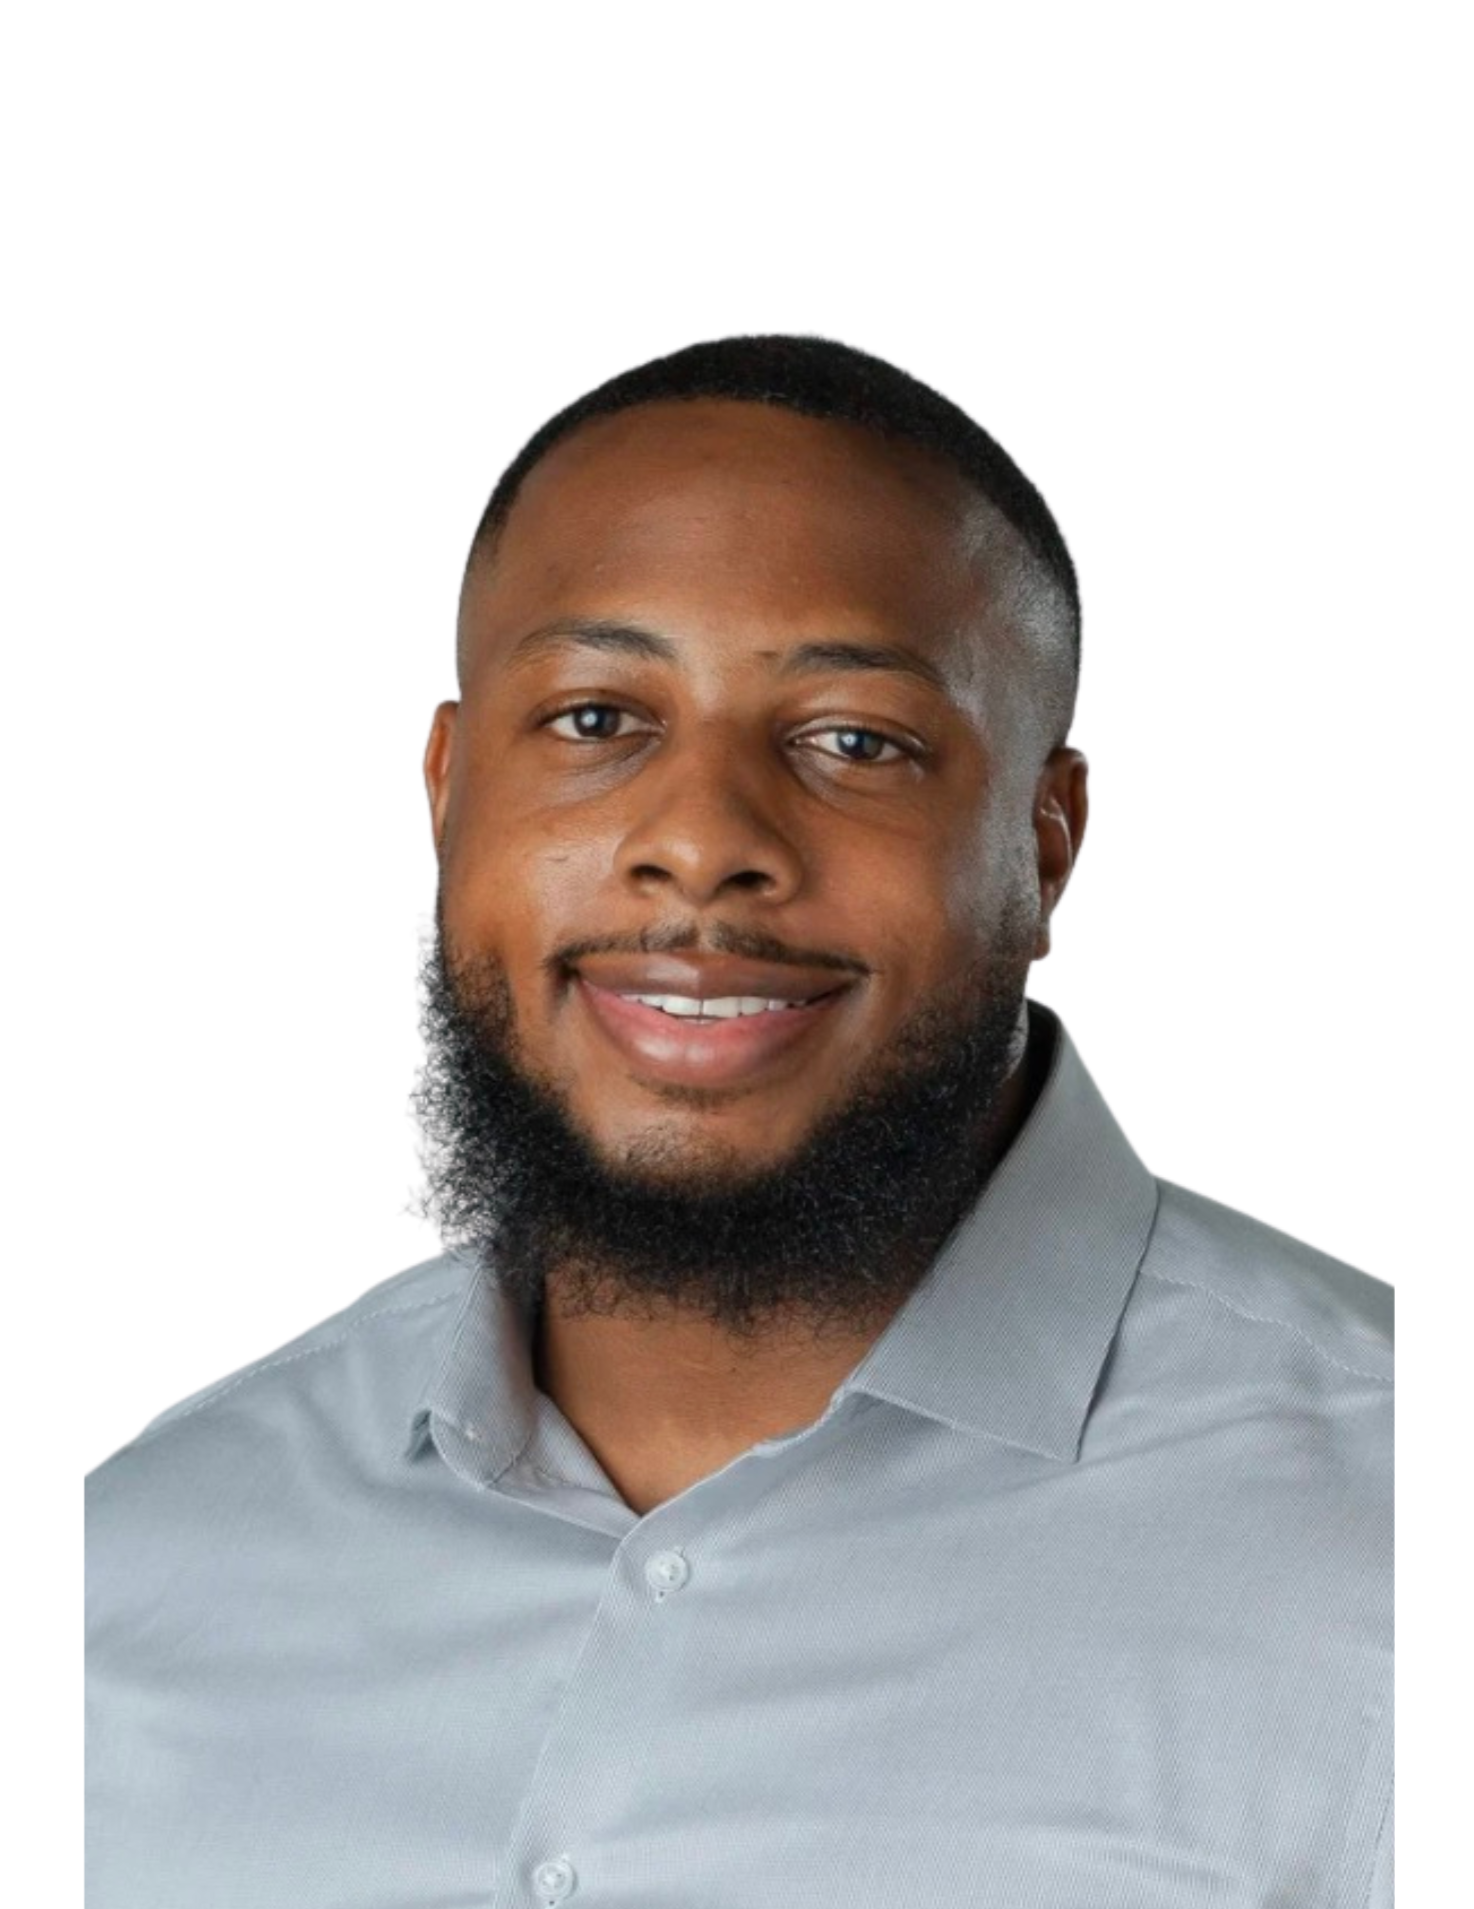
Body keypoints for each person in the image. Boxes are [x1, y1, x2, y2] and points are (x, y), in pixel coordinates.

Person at [86, 334, 1393, 1907]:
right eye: (592, 721)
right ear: (447, 795)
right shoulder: (131, 1565)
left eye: (853, 741)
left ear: (1043, 845)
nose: (701, 844)